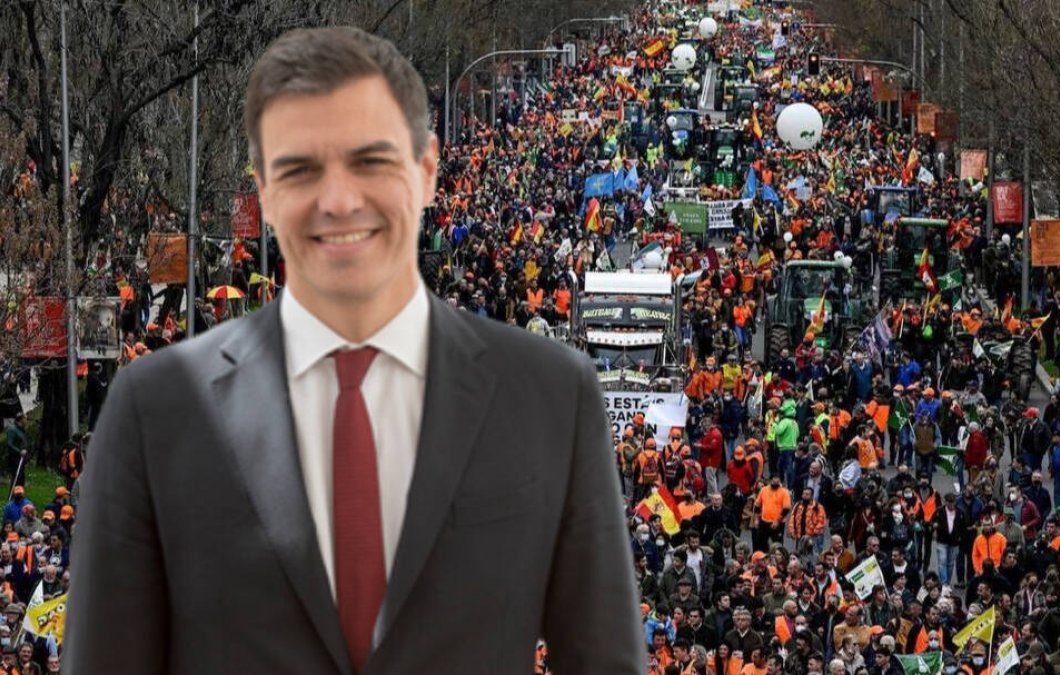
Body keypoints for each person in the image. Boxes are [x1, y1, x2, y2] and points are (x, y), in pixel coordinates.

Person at [67, 27, 642, 673]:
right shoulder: (156, 409)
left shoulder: (550, 394)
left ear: (426, 171)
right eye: (300, 168)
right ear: (263, 191)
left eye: (370, 160)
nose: (339, 200)